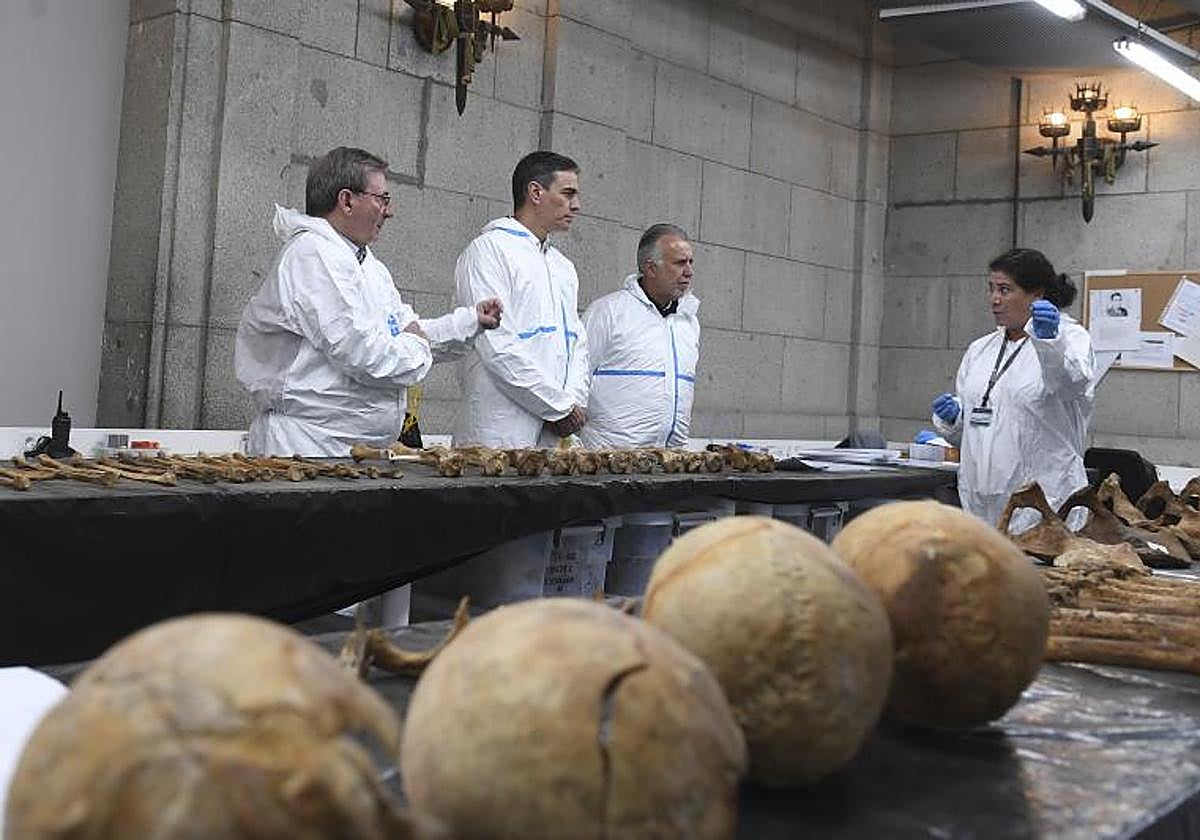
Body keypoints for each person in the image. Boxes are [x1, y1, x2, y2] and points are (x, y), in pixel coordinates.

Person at [235, 146, 502, 457]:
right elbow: (363, 352)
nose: (389, 211)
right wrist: (415, 345)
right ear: (347, 200)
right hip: (308, 447)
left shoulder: (368, 265)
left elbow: (402, 330)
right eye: (382, 199)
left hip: (351, 450)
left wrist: (468, 322)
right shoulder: (312, 254)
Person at [930, 248, 1095, 531]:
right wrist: (955, 421)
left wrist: (1049, 343)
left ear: (1037, 295)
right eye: (991, 289)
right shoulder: (980, 350)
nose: (994, 299)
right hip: (982, 500)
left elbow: (1070, 385)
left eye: (1005, 290)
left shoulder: (1070, 339)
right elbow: (976, 432)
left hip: (1047, 502)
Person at [453, 151, 590, 448]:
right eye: (567, 194)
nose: (576, 205)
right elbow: (496, 345)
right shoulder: (488, 251)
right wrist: (557, 407)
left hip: (553, 432)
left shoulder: (562, 267)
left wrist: (572, 402)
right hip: (499, 432)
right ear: (536, 193)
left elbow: (577, 343)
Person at [577, 223, 699, 449]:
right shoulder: (608, 312)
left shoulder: (689, 321)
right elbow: (576, 378)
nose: (689, 272)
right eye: (680, 263)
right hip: (610, 459)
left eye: (691, 262)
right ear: (651, 268)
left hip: (670, 460)